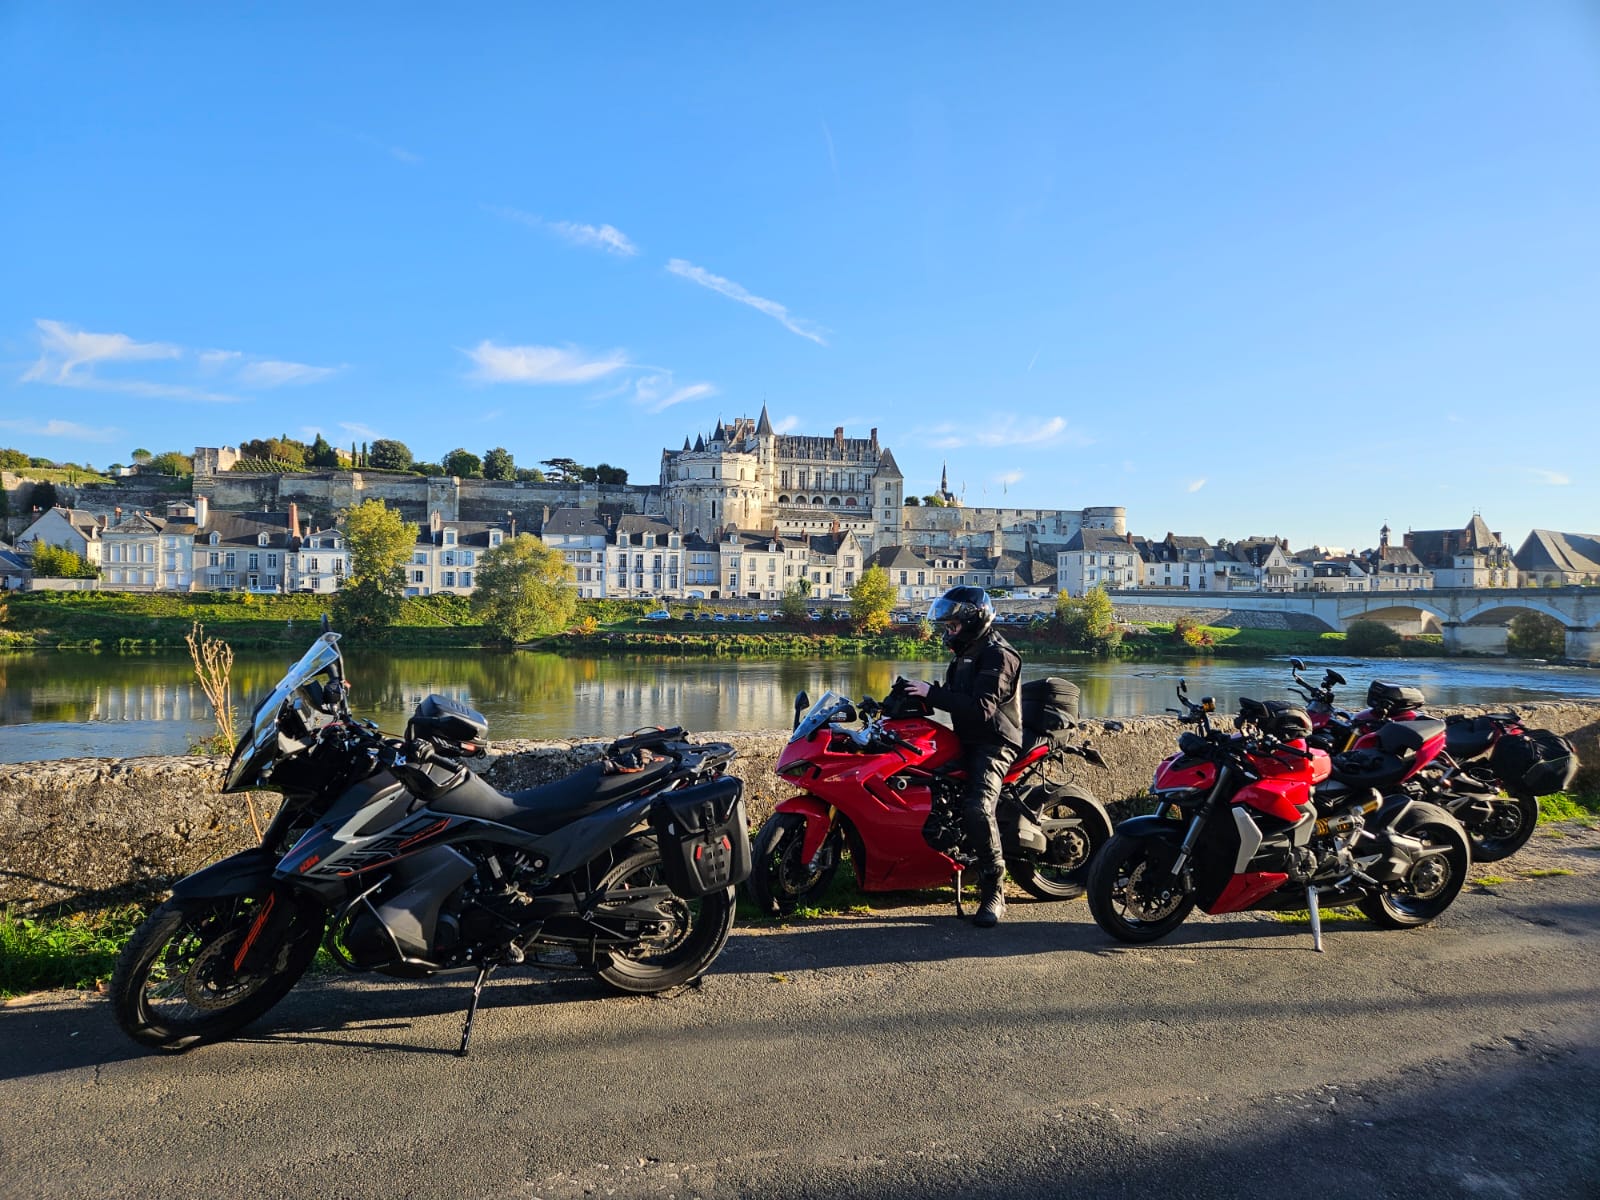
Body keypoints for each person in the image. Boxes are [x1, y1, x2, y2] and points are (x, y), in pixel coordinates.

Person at [903, 586, 1022, 927]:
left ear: (972, 620)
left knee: (977, 807)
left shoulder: (999, 655)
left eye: (952, 624)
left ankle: (994, 889)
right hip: (966, 738)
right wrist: (912, 696)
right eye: (947, 625)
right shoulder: (966, 651)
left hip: (994, 743)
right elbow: (956, 697)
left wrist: (932, 694)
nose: (948, 630)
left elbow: (982, 708)